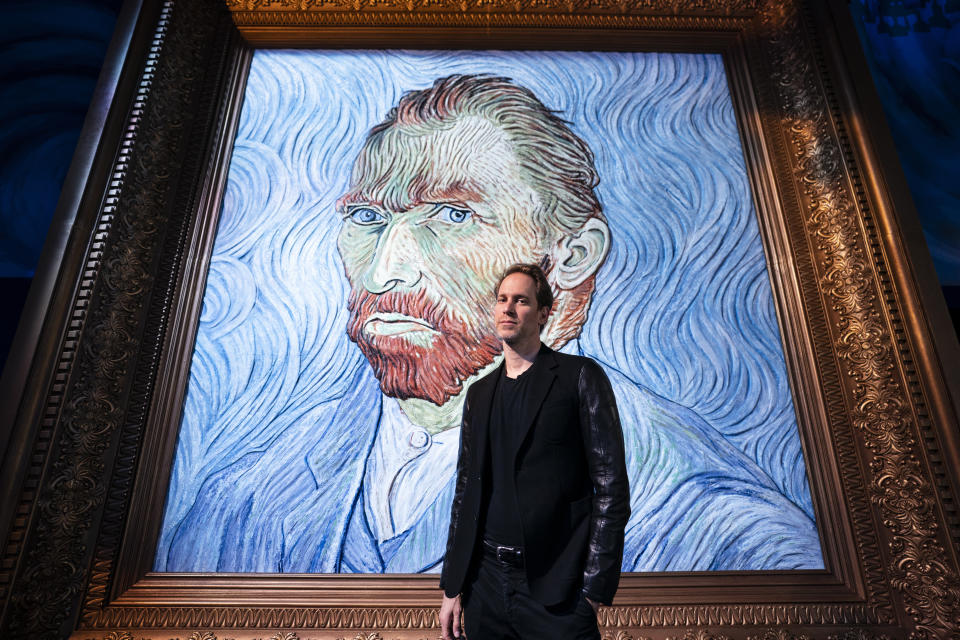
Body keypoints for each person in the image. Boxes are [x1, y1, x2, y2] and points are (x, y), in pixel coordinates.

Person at [156, 73, 822, 575]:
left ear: (571, 257)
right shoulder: (241, 497)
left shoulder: (715, 528)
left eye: (452, 217)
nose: (388, 269)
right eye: (368, 219)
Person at [438, 263, 629, 640]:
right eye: (502, 299)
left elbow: (611, 490)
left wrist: (592, 591)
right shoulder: (479, 395)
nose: (507, 309)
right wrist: (452, 587)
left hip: (557, 591)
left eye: (521, 300)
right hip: (485, 586)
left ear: (543, 313)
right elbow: (466, 495)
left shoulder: (580, 377)